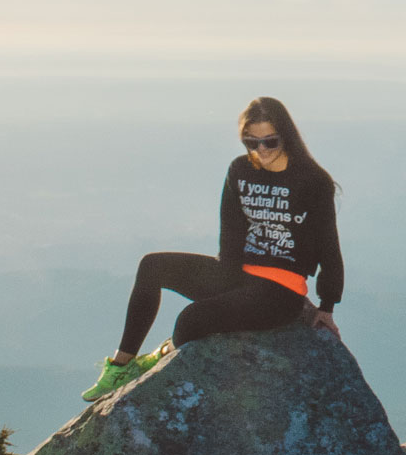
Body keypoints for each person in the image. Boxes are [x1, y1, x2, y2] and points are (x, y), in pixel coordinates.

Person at [81, 96, 344, 401]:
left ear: (286, 136)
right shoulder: (240, 170)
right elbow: (230, 232)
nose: (260, 150)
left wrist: (327, 306)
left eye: (269, 142)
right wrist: (223, 284)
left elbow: (329, 246)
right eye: (251, 142)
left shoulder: (312, 181)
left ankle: (164, 353)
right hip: (238, 272)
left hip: (279, 291)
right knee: (152, 266)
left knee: (191, 320)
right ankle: (121, 365)